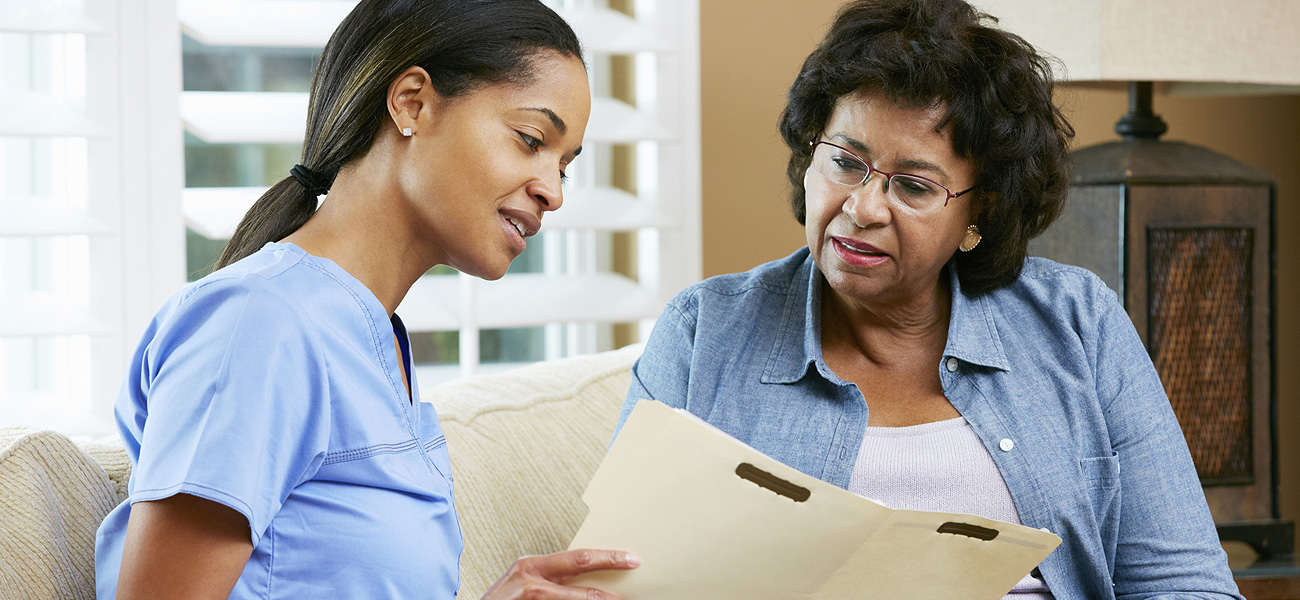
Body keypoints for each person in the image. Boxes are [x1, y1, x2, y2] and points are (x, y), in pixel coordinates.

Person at [618, 0, 1242, 598]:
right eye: (844, 162)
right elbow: (618, 575)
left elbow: (1187, 585)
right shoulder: (704, 333)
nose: (861, 209)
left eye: (914, 186)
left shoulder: (1079, 322)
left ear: (981, 211)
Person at [95, 1, 639, 598]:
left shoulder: (376, 347)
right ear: (412, 102)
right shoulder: (260, 324)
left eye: (565, 166)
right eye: (531, 139)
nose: (554, 192)